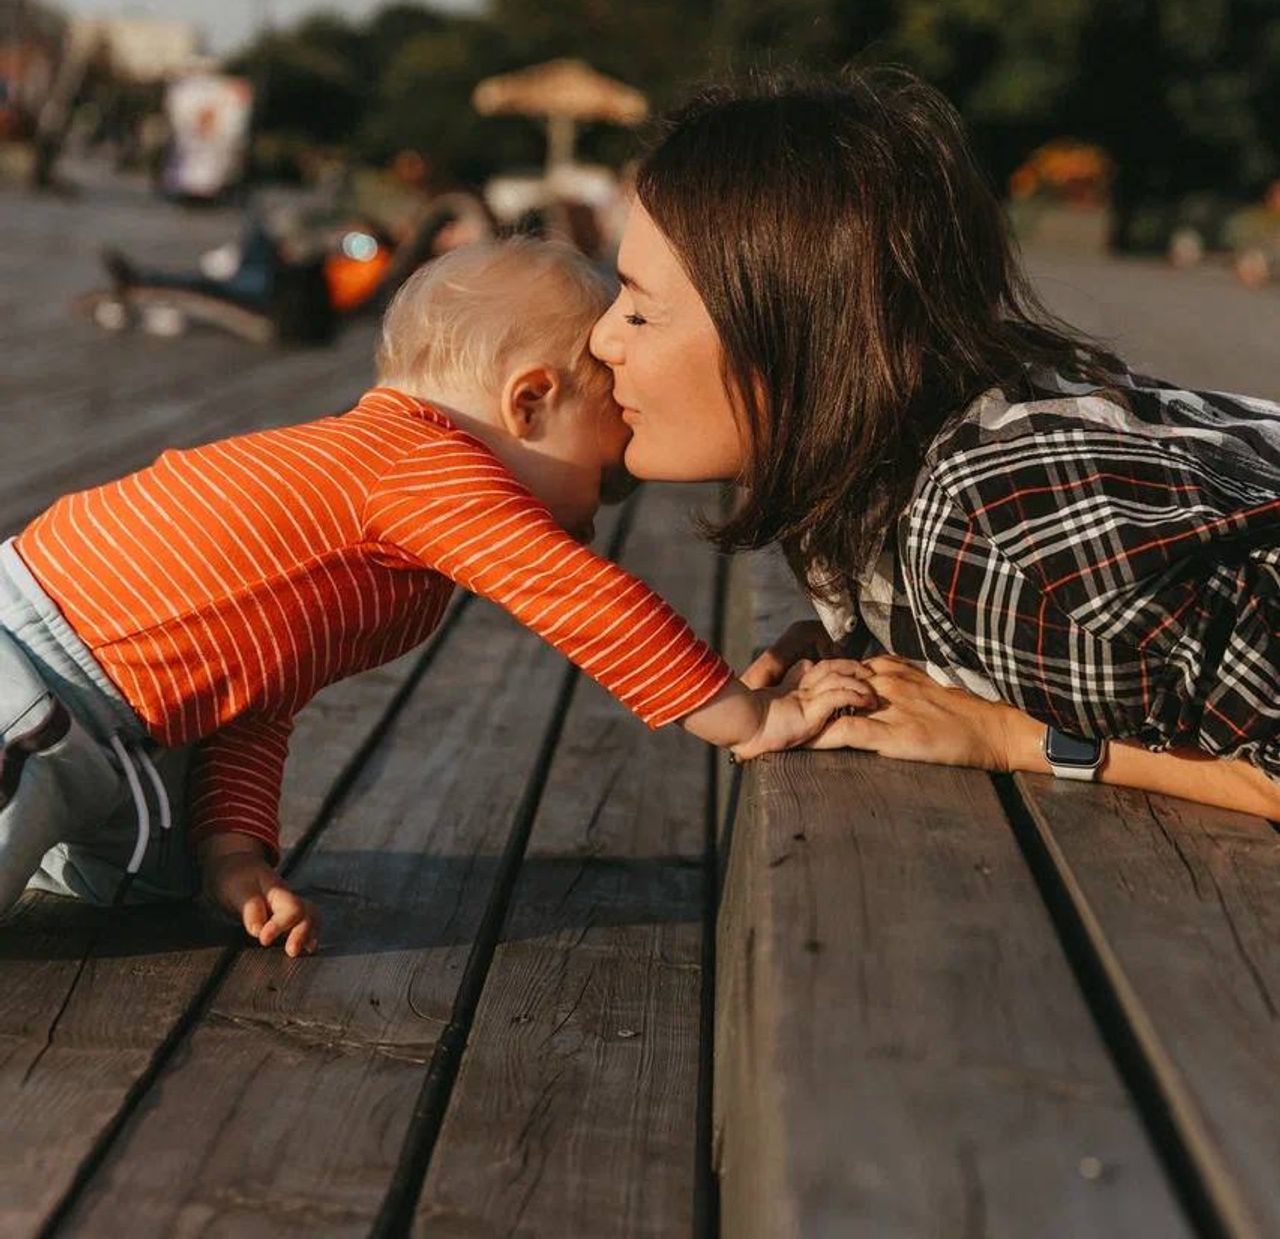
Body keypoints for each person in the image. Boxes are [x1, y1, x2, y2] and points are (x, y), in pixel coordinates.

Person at [0, 238, 873, 957]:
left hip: (112, 725)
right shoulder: (421, 463)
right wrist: (745, 717)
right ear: (529, 401)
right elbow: (575, 595)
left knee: (153, 884)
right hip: (33, 675)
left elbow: (258, 699)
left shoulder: (374, 509)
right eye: (607, 479)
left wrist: (233, 849)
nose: (595, 524)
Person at [588, 69, 1280, 820]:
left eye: (641, 313)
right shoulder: (881, 475)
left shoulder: (994, 519)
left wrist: (1018, 737)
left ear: (798, 334)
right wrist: (895, 649)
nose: (600, 339)